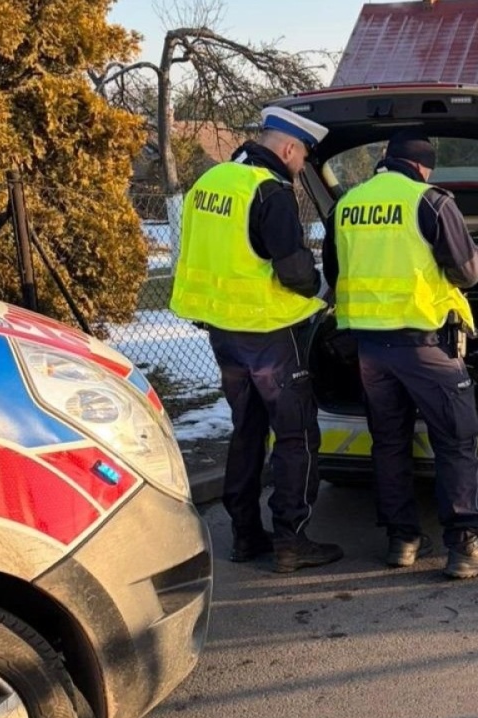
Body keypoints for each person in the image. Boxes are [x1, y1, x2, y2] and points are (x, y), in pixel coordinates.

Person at [321, 128, 478, 579]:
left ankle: (402, 539)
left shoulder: (346, 206)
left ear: (384, 160)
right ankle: (464, 544)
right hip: (425, 346)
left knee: (389, 442)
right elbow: (467, 272)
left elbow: (335, 271)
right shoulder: (430, 201)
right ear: (423, 166)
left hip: (368, 349)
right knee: (457, 439)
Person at [170, 106, 344, 574]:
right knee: (295, 436)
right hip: (271, 334)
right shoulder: (271, 190)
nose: (298, 164)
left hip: (223, 333)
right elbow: (294, 273)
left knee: (246, 429)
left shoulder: (209, 182)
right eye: (301, 155)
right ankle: (291, 540)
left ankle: (245, 536)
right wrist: (319, 286)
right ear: (288, 148)